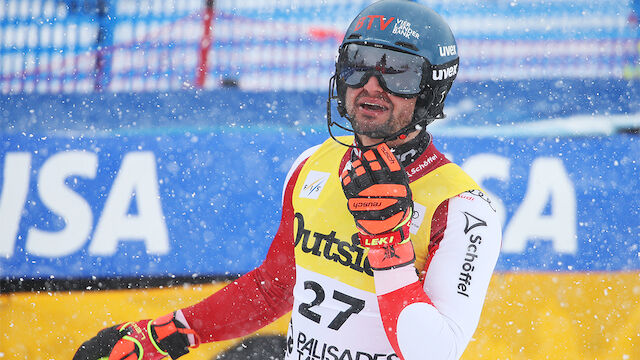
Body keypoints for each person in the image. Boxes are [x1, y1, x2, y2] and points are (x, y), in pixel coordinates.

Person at [73, 1, 501, 359]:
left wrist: (389, 251)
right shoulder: (312, 163)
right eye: (358, 64)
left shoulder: (462, 209)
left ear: (430, 90)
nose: (372, 86)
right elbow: (274, 287)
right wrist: (173, 332)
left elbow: (434, 352)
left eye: (398, 73)